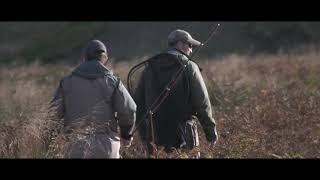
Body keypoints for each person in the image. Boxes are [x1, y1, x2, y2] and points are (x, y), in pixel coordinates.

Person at [134, 29, 218, 157]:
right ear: (180, 44)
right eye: (190, 45)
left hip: (156, 137)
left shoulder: (150, 67)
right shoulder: (189, 66)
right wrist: (211, 133)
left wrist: (146, 137)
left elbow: (138, 104)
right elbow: (202, 103)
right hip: (185, 135)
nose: (191, 50)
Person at [50, 40, 136, 158]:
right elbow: (128, 111)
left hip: (75, 146)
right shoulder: (114, 82)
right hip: (107, 147)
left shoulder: (66, 83)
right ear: (104, 59)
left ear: (84, 58)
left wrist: (52, 141)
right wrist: (126, 135)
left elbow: (53, 116)